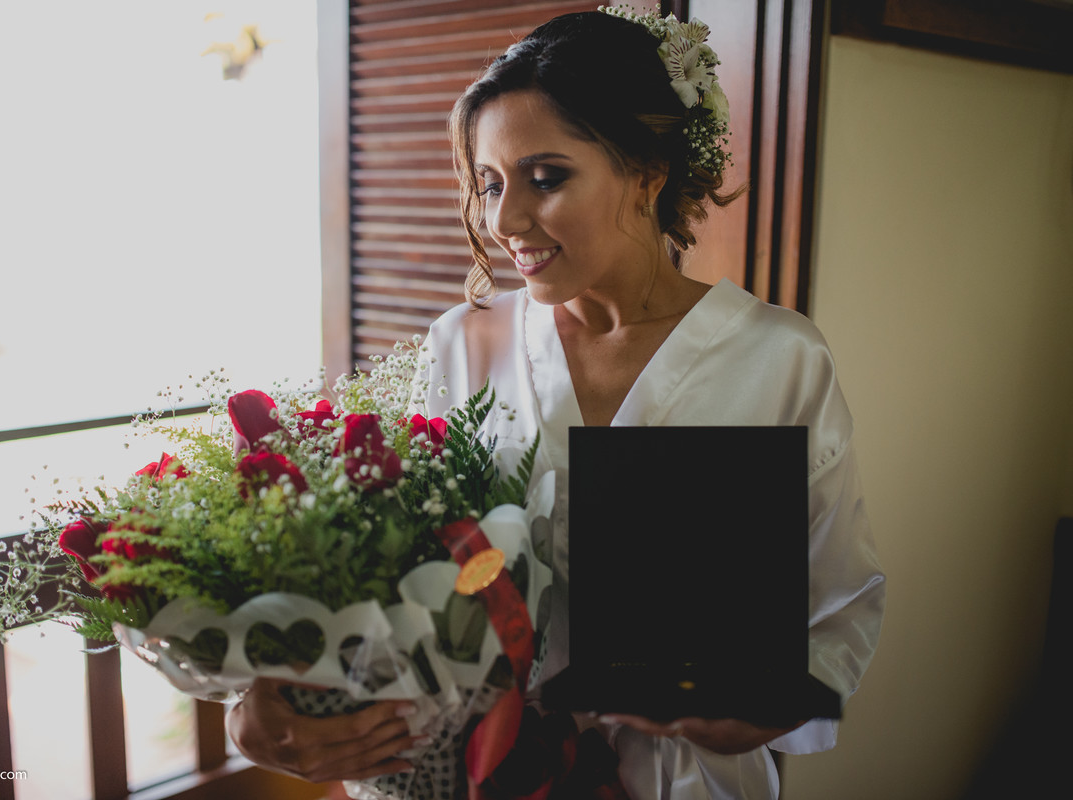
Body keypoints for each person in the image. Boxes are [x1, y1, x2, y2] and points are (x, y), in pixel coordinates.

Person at [228, 9, 885, 799]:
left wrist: (761, 708)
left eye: (546, 178)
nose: (505, 221)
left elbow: (841, 603)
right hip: (471, 773)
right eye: (491, 182)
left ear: (649, 170)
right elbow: (362, 565)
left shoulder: (779, 360)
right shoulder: (462, 347)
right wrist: (261, 695)